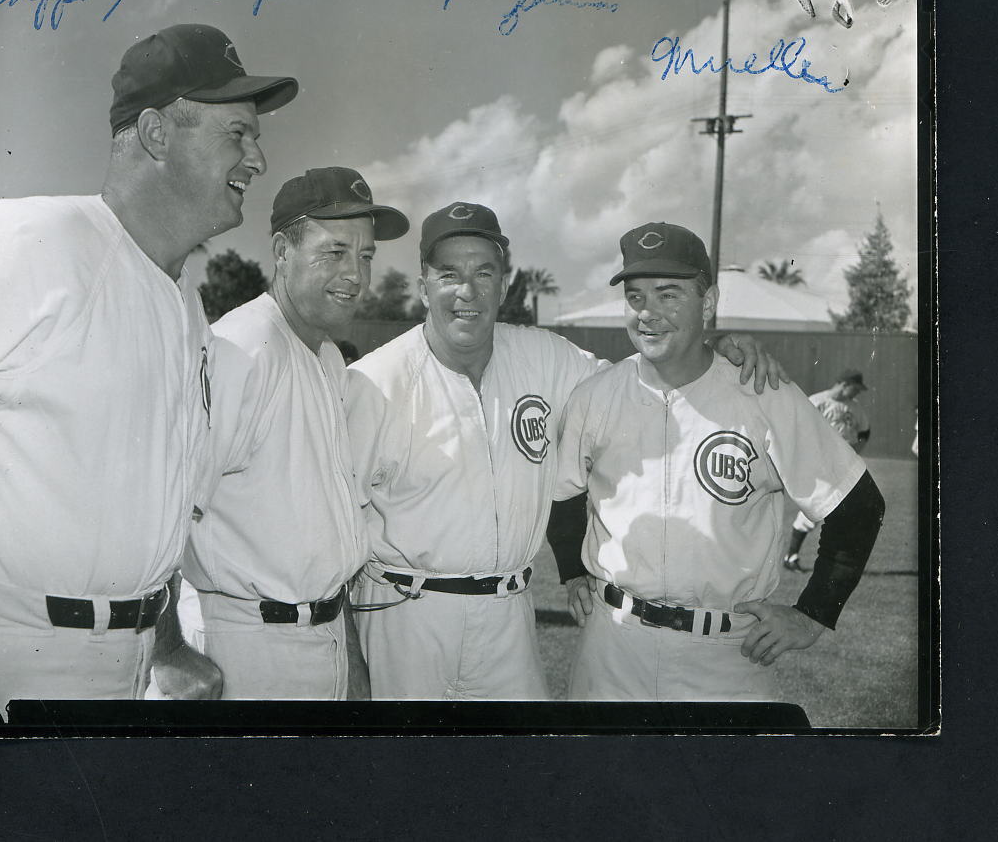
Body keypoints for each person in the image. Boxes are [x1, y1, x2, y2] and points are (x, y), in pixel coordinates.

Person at [0, 23, 297, 723]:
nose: (258, 157)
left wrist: (167, 641)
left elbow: (150, 512)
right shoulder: (29, 242)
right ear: (155, 132)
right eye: (237, 132)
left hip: (132, 661)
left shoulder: (186, 303)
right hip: (8, 657)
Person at [345, 202, 784, 700]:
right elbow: (334, 533)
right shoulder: (372, 383)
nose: (467, 291)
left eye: (483, 272)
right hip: (405, 613)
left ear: (504, 285)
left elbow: (638, 379)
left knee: (517, 771)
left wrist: (710, 342)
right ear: (424, 285)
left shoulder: (544, 358)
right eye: (448, 274)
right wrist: (351, 662)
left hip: (508, 614)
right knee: (407, 773)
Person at [548, 222, 885, 703]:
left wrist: (814, 613)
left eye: (669, 295)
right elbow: (564, 492)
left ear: (707, 303)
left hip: (727, 653)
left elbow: (857, 504)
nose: (649, 313)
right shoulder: (595, 396)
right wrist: (570, 570)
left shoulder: (762, 392)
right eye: (637, 296)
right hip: (612, 647)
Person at [176, 167, 409, 699]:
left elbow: (329, 536)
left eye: (366, 255)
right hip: (242, 644)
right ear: (282, 250)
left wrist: (349, 656)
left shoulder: (327, 357)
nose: (356, 274)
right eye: (335, 251)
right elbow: (163, 514)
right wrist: (169, 652)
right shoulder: (242, 348)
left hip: (318, 636)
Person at [782, 368, 872, 570]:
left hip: (843, 466)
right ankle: (793, 555)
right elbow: (797, 429)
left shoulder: (855, 408)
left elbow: (865, 433)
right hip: (819, 465)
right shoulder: (817, 401)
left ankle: (796, 556)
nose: (858, 393)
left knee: (842, 509)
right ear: (845, 384)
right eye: (856, 389)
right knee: (818, 507)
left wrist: (854, 453)